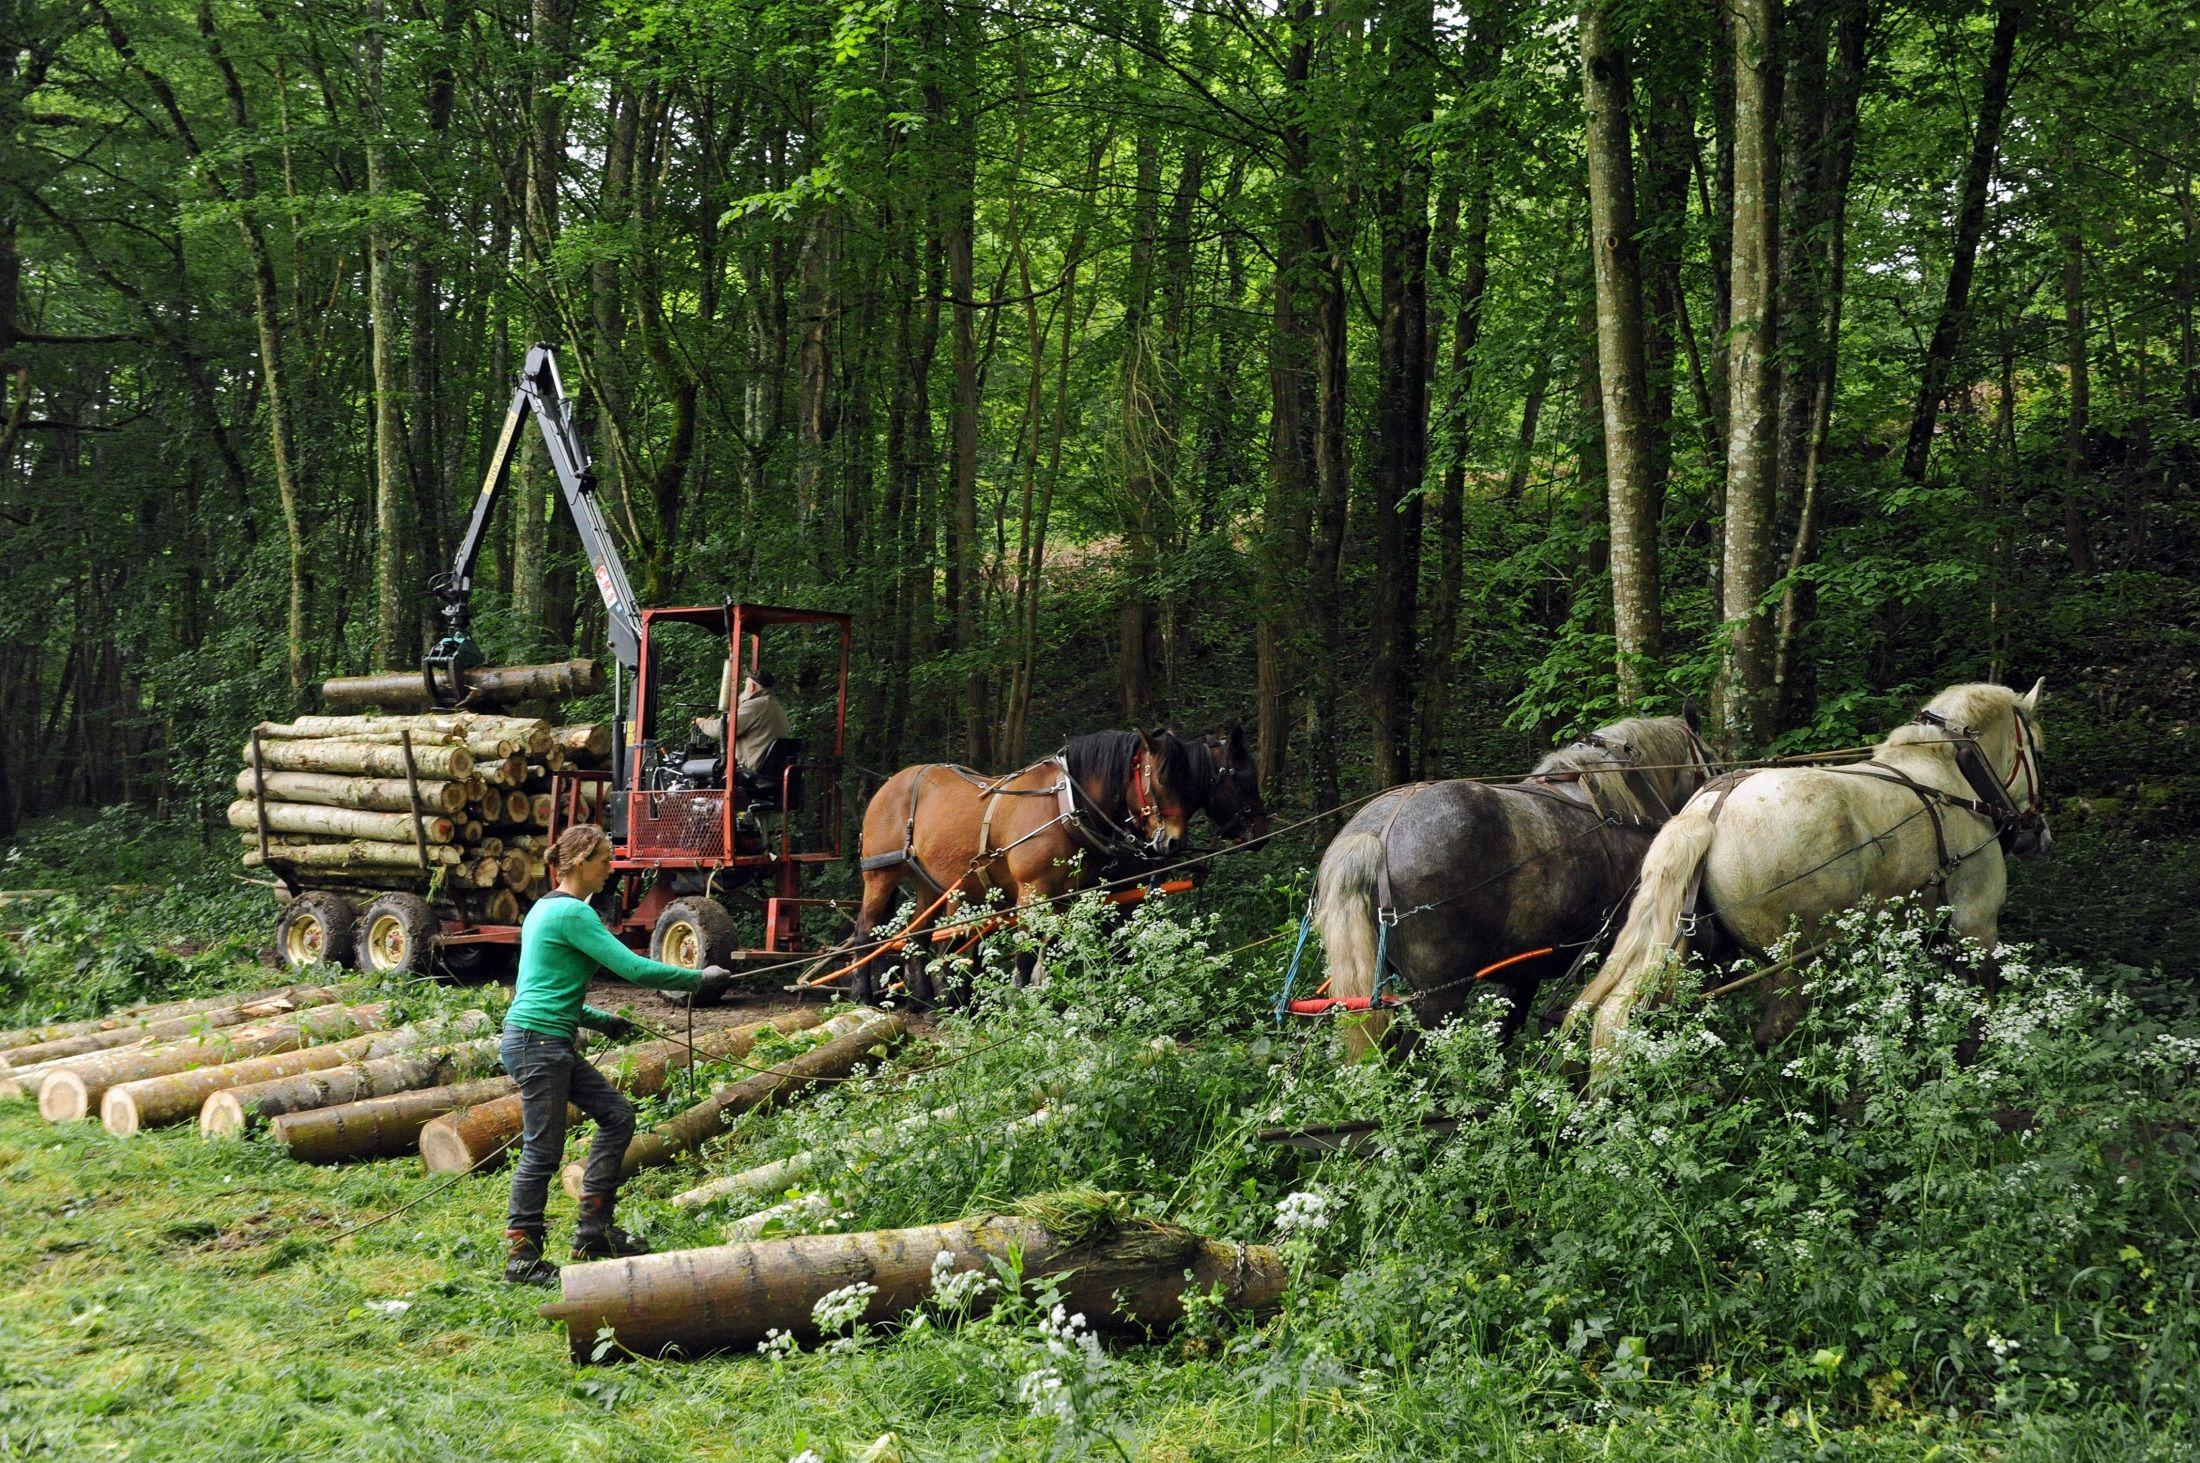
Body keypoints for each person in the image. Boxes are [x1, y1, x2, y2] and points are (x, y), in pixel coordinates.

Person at [499, 823, 733, 1286]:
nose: (611, 867)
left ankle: (593, 1231)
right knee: (542, 1153)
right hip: (539, 1044)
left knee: (617, 1115)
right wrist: (697, 978)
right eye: (605, 859)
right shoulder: (570, 914)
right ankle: (521, 1259)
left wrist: (602, 1021)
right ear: (581, 861)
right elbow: (631, 967)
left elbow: (546, 989)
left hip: (543, 1039)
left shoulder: (544, 910)